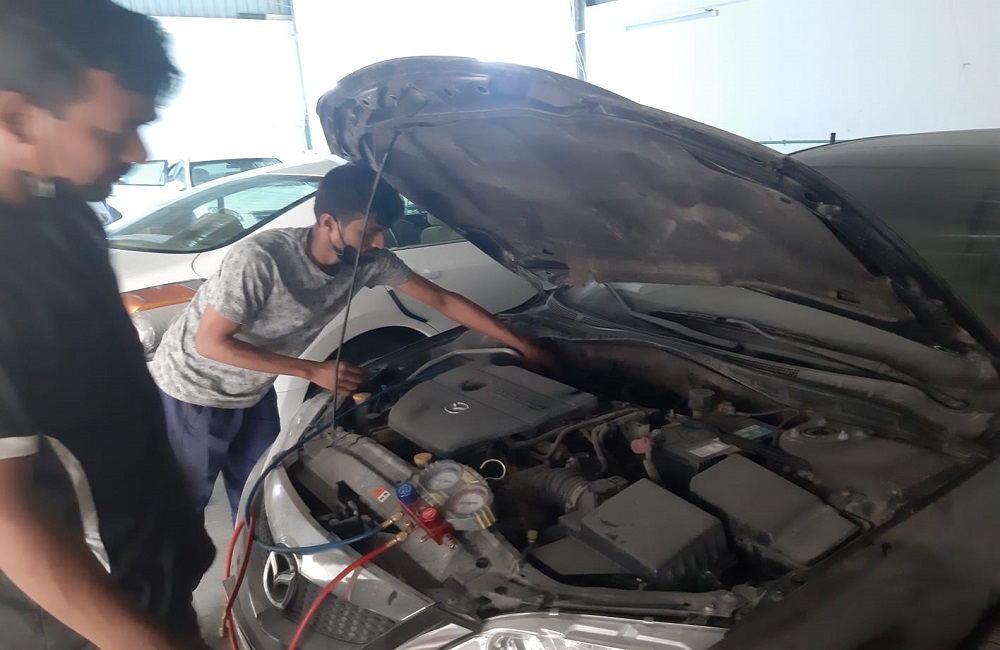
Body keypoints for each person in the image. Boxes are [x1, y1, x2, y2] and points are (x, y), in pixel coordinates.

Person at [152, 163, 554, 519]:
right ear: (328, 222)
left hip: (253, 390)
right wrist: (312, 370)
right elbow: (212, 344)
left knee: (257, 495)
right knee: (183, 506)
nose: (379, 243)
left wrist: (522, 344)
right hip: (194, 390)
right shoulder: (262, 259)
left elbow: (443, 300)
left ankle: (242, 574)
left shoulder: (369, 262)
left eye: (382, 231)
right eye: (369, 232)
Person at [0, 2, 215, 649]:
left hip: (154, 583)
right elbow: (8, 519)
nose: (138, 151)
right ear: (16, 117)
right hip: (86, 623)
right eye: (117, 130)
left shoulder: (66, 218)